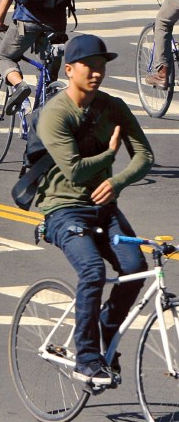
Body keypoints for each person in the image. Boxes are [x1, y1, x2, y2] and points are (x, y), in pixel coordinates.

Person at [35, 33, 153, 385]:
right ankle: (87, 357)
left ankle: (106, 326)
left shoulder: (113, 106)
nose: (97, 72)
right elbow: (74, 169)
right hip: (63, 210)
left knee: (135, 268)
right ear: (69, 69)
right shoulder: (55, 113)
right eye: (89, 65)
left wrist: (117, 182)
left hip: (103, 207)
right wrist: (109, 156)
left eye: (101, 65)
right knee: (91, 270)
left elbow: (145, 156)